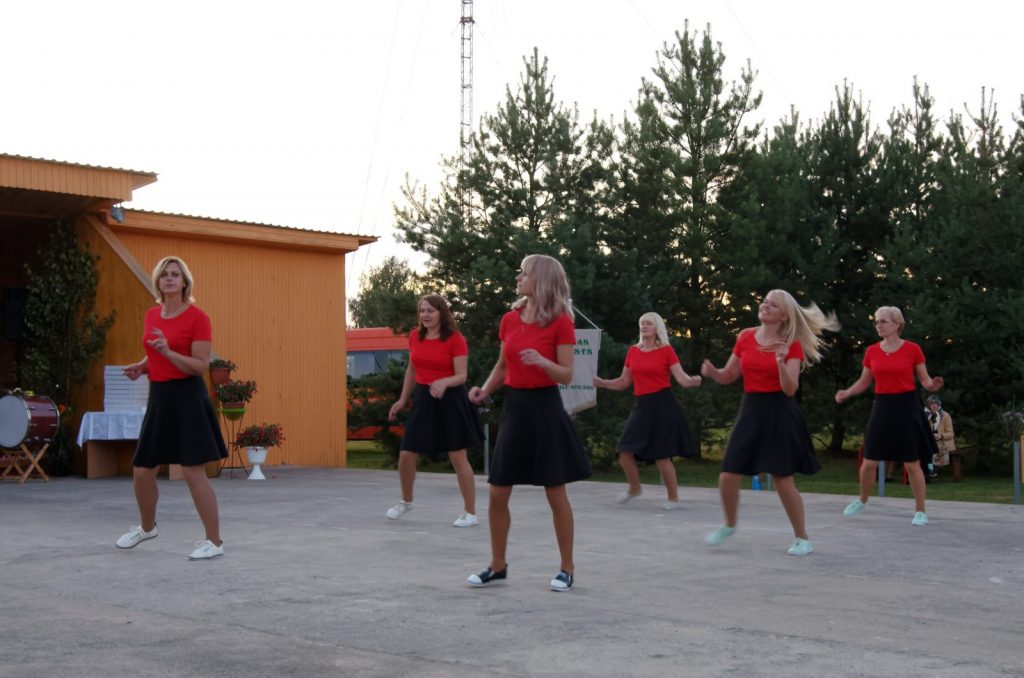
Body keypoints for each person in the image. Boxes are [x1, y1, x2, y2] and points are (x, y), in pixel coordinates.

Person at [465, 254, 592, 592]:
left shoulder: (561, 322)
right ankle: (497, 565)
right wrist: (485, 390)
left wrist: (542, 362)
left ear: (543, 280)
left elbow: (566, 374)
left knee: (555, 492)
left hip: (546, 410)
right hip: (516, 409)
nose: (518, 277)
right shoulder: (510, 319)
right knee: (497, 492)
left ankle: (567, 568)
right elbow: (503, 365)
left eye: (525, 273)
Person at [701, 289, 839, 555]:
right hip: (751, 409)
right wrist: (713, 372)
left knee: (782, 479)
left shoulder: (791, 344)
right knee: (728, 474)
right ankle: (729, 525)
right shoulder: (745, 336)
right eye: (764, 302)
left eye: (772, 305)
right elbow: (729, 375)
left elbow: (790, 389)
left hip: (779, 412)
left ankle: (802, 538)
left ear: (784, 315)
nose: (765, 306)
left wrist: (780, 362)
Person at [116, 256, 228, 560]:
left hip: (188, 397)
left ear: (184, 282)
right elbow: (155, 351)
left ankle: (214, 542)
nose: (169, 278)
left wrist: (167, 352)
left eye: (175, 274)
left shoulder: (198, 318)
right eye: (164, 274)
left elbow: (200, 366)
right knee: (142, 470)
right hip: (160, 397)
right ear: (158, 281)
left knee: (192, 471)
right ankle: (147, 528)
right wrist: (143, 366)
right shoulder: (152, 315)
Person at [836, 306, 943, 526]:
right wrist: (847, 392)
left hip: (907, 406)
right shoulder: (872, 351)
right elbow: (864, 381)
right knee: (869, 461)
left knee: (912, 463)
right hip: (882, 406)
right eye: (876, 321)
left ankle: (920, 511)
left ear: (897, 324)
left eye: (883, 321)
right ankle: (862, 499)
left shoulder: (913, 349)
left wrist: (932, 386)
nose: (878, 325)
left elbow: (925, 381)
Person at [386, 294, 483, 527]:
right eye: (422, 311)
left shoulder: (455, 339)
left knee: (457, 456)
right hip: (424, 399)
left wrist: (443, 382)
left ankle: (470, 513)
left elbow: (461, 375)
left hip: (452, 400)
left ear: (442, 313)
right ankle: (406, 502)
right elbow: (412, 370)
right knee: (406, 454)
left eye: (430, 310)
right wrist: (402, 399)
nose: (425, 315)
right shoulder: (415, 337)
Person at [593, 312, 701, 509]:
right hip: (642, 405)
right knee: (624, 452)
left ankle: (673, 498)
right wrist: (602, 383)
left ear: (657, 328)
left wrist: (692, 381)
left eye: (648, 324)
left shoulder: (666, 350)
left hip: (664, 405)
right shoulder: (633, 351)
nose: (644, 326)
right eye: (642, 323)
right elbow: (623, 382)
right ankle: (634, 488)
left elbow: (682, 378)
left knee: (662, 456)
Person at [926, 395, 954, 474]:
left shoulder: (945, 415)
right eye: (932, 403)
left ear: (939, 404)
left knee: (935, 450)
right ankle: (928, 471)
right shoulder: (926, 415)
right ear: (928, 405)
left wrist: (941, 436)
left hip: (942, 442)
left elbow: (951, 434)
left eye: (936, 403)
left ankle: (931, 471)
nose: (934, 405)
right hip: (929, 442)